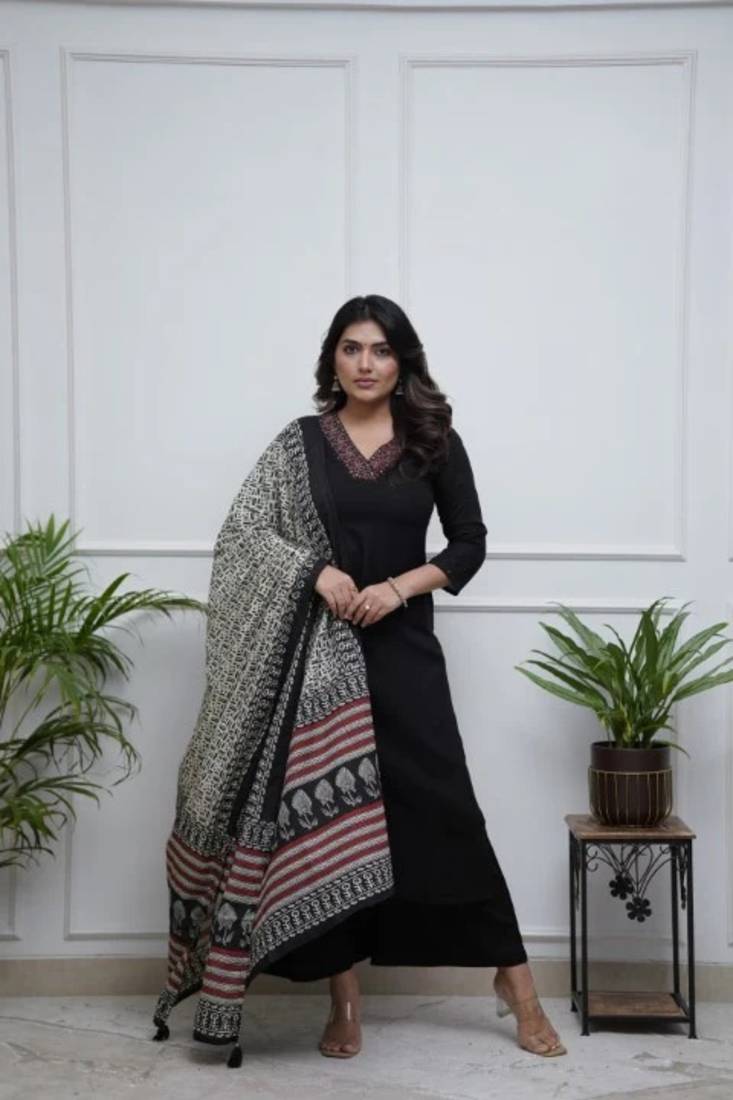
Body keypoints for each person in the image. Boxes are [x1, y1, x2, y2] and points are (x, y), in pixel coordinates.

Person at [152, 293, 566, 1065]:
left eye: (380, 349)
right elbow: (245, 533)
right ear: (332, 359)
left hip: (402, 650)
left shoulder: (432, 441)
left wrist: (398, 588)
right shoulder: (300, 443)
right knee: (325, 824)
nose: (366, 363)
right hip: (316, 657)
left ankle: (517, 987)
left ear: (402, 361)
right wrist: (314, 572)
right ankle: (344, 1002)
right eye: (351, 348)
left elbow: (469, 543)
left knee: (448, 813)